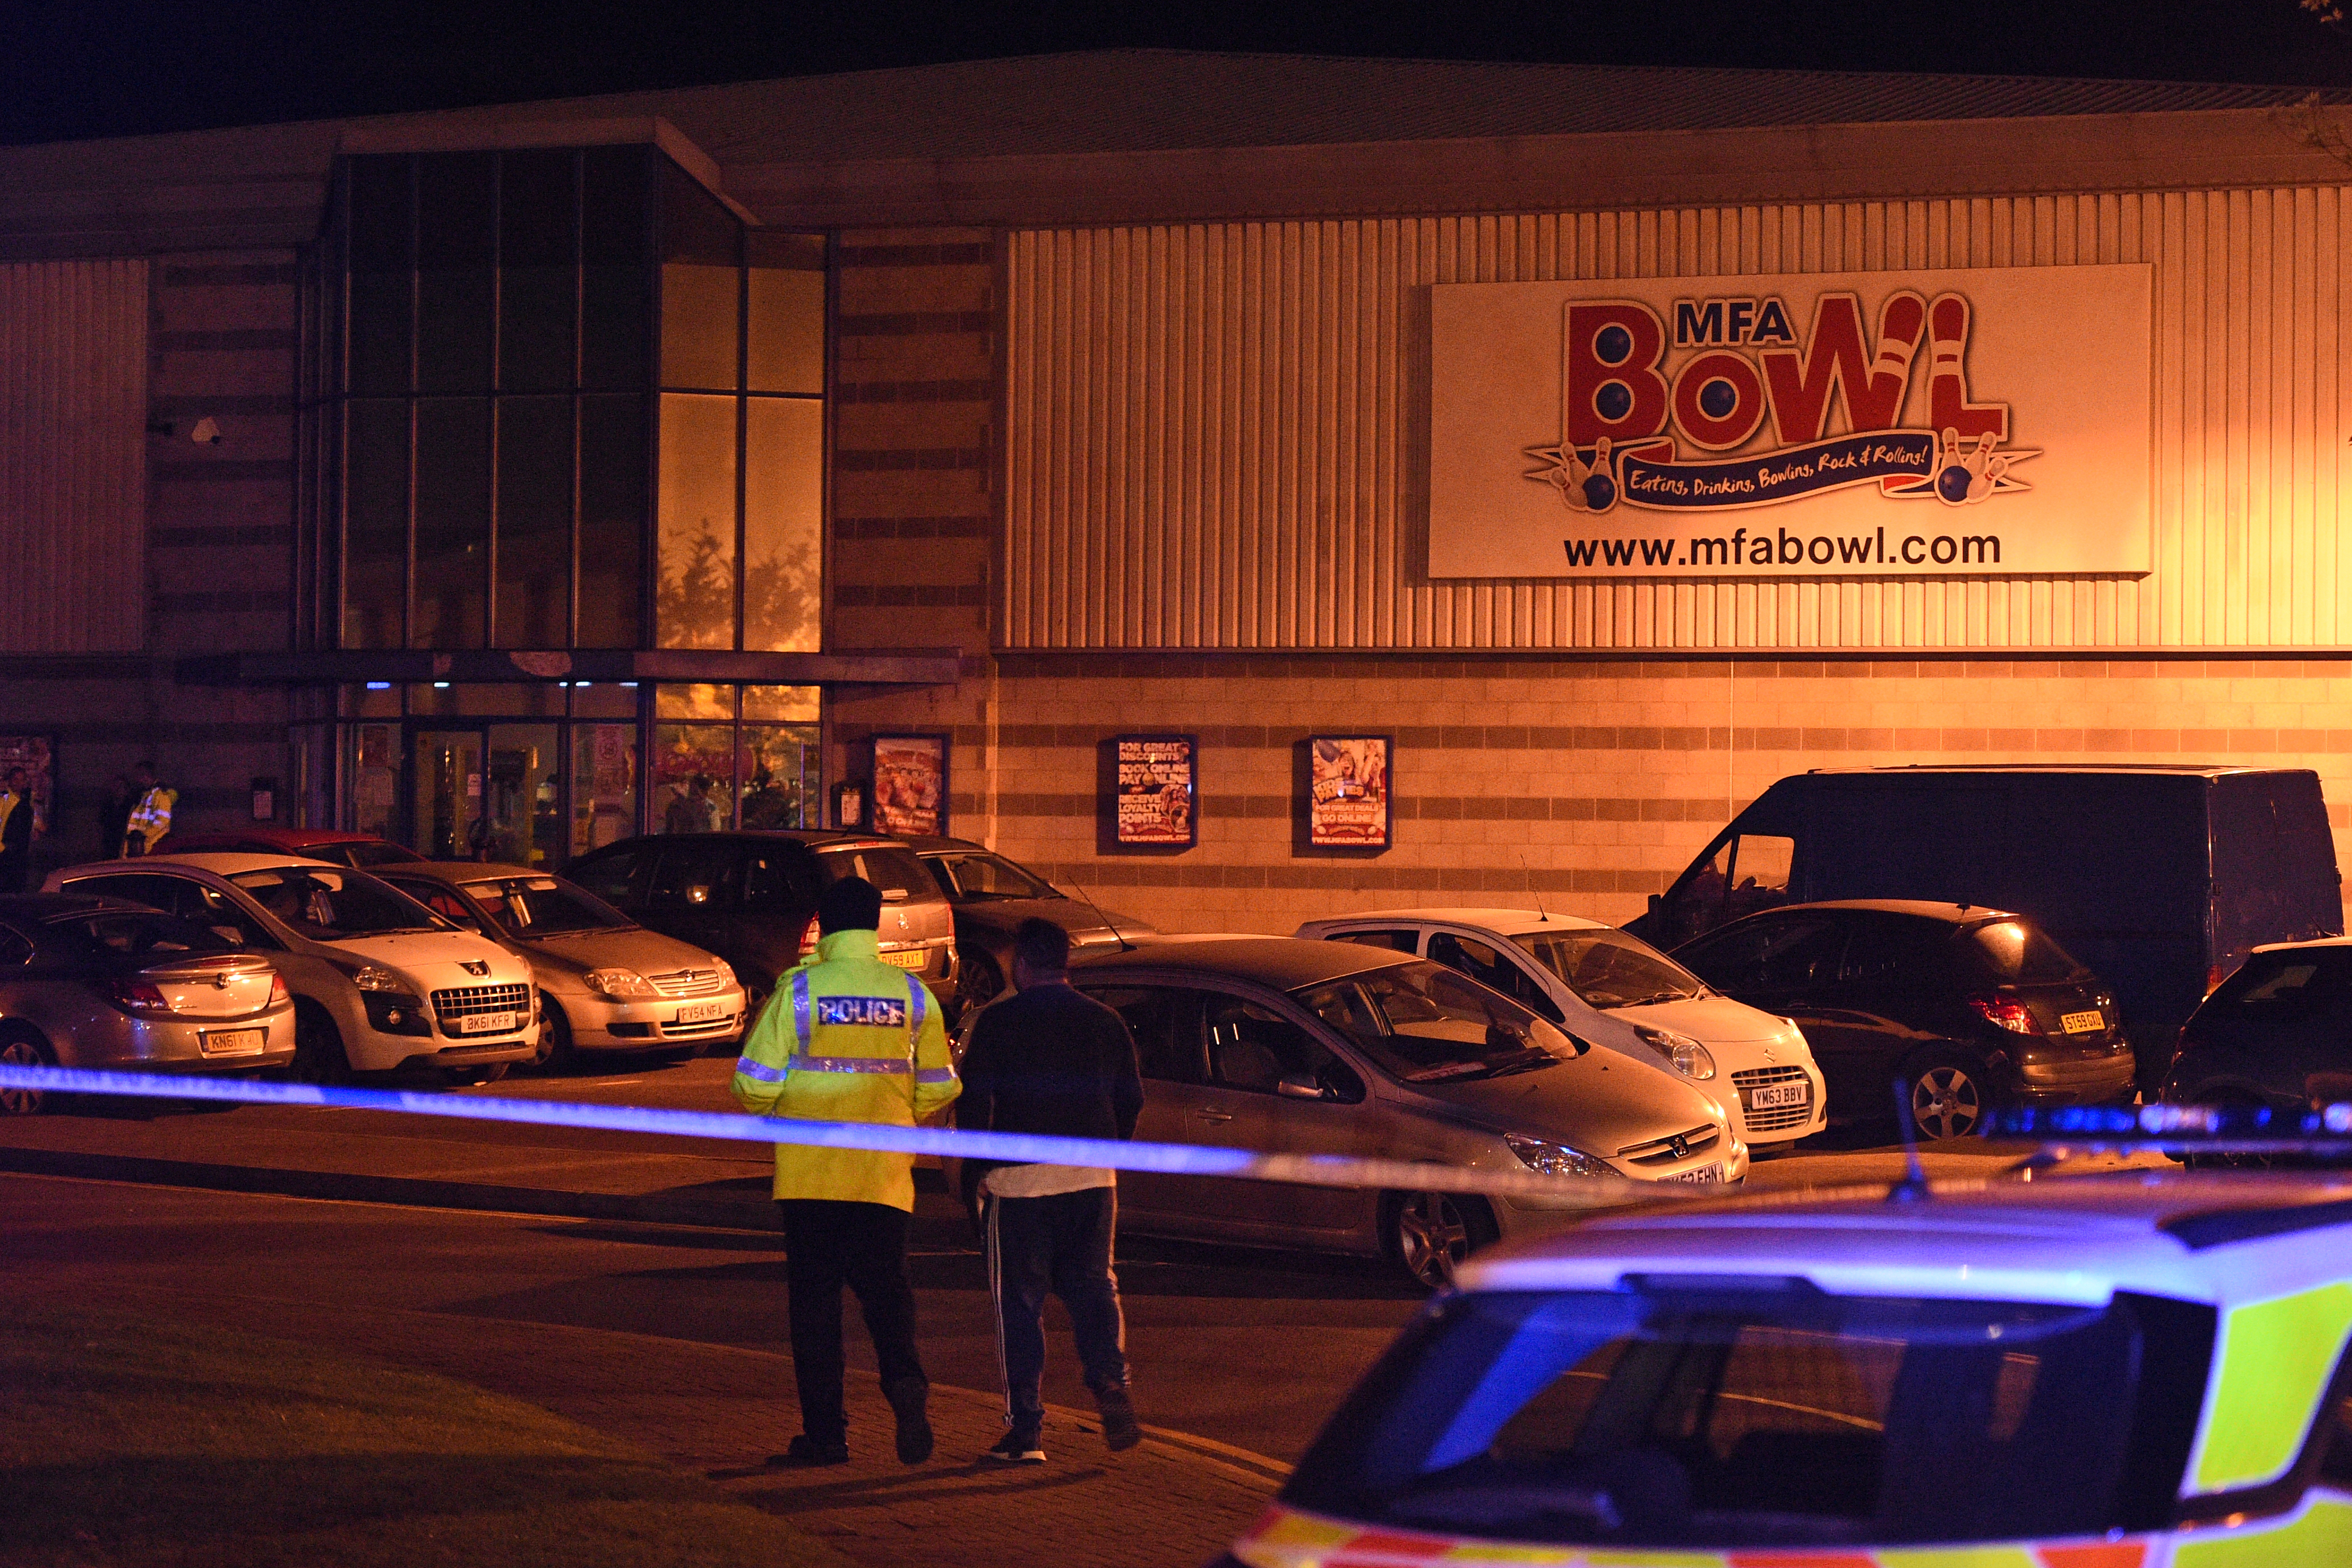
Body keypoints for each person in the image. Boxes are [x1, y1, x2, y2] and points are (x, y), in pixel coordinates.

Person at [733, 875, 959, 1468]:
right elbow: (940, 1086)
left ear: (825, 928)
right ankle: (906, 1390)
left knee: (816, 1314)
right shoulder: (913, 996)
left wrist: (785, 1108)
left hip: (810, 1181)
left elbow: (752, 1083)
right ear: (874, 926)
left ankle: (826, 1438)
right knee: (888, 1301)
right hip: (883, 1180)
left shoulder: (800, 993)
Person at [955, 917, 1146, 1464]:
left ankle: (1026, 1431)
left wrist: (976, 1176)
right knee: (1094, 1288)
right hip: (1090, 1178)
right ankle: (1109, 1382)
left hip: (1020, 1184)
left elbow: (975, 1107)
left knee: (1018, 1306)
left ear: (1020, 965)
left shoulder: (998, 1023)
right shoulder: (1107, 1022)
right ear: (1066, 963)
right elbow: (1131, 1099)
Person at [0, 767, 40, 894]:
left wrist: (36, 828)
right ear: (10, 781)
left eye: (22, 780)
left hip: (21, 851)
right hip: (6, 852)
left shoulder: (26, 800)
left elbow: (32, 820)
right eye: (16, 780)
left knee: (18, 887)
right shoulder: (4, 799)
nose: (19, 783)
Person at [122, 761, 174, 857]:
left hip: (149, 849)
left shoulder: (160, 795)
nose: (136, 779)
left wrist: (142, 838)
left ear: (146, 775)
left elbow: (162, 822)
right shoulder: (144, 795)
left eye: (138, 776)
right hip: (137, 849)